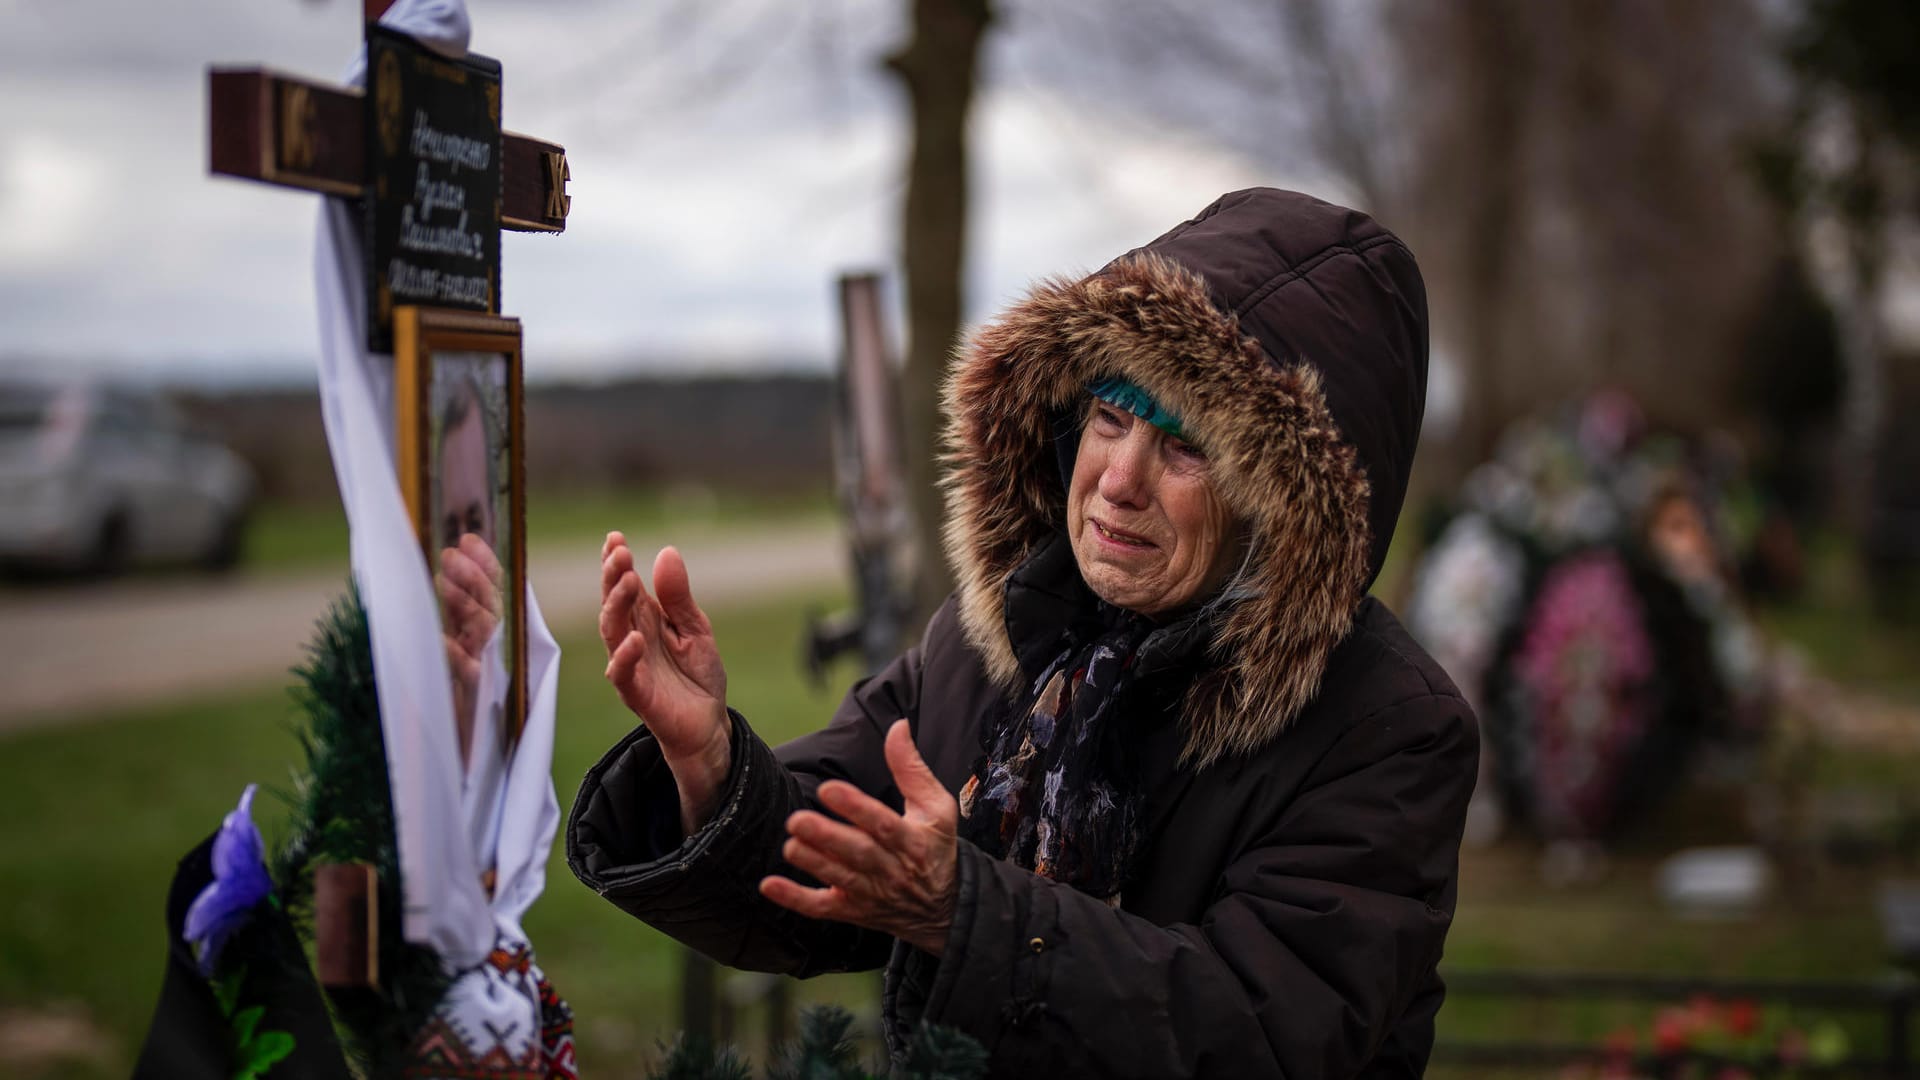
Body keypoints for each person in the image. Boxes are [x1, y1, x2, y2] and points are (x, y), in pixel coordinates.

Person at [568, 189, 1478, 1078]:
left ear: (1279, 506)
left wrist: (964, 912)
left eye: (1185, 446)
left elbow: (1263, 1032)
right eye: (1110, 418)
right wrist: (708, 764)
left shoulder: (1389, 727)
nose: (1119, 481)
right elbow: (826, 859)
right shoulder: (1001, 638)